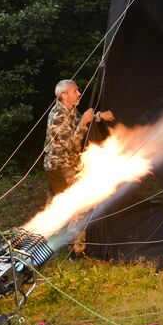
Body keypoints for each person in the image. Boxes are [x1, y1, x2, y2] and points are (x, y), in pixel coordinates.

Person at [42, 79, 113, 255]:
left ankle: (41, 242)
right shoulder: (58, 115)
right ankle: (76, 251)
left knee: (54, 207)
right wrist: (83, 124)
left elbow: (78, 124)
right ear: (64, 95)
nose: (79, 93)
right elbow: (69, 145)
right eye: (75, 91)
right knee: (77, 205)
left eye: (78, 90)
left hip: (65, 165)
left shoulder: (69, 110)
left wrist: (97, 116)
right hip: (59, 166)